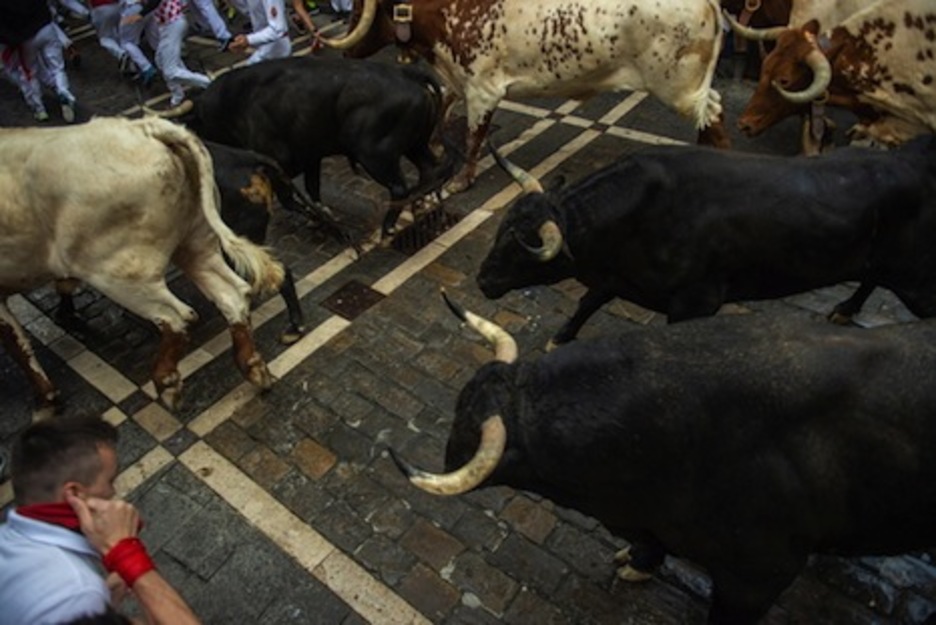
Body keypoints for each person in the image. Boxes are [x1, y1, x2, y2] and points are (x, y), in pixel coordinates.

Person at [0, 416, 200, 625]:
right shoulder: (79, 597)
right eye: (110, 481)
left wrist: (105, 608)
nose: (114, 492)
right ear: (75, 493)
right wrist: (127, 555)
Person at [0, 0, 80, 121]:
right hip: (45, 27)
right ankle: (63, 92)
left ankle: (40, 109)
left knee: (30, 73)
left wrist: (12, 41)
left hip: (26, 38)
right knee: (57, 67)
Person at [228, 0, 290, 64]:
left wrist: (248, 40)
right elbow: (250, 11)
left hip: (276, 48)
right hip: (262, 46)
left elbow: (277, 30)